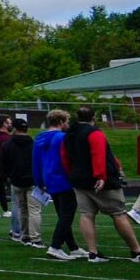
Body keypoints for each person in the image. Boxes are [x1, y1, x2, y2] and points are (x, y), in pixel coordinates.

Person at [63, 106, 140, 263]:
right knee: (118, 213)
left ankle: (93, 253)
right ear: (93, 118)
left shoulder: (69, 134)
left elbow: (65, 156)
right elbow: (98, 154)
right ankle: (137, 250)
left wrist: (71, 174)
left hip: (78, 179)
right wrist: (101, 176)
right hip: (99, 181)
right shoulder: (94, 133)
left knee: (86, 214)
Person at [34, 109, 78, 260]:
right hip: (63, 179)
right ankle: (55, 245)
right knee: (67, 215)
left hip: (49, 179)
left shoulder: (39, 137)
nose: (67, 124)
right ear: (60, 122)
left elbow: (36, 161)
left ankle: (73, 247)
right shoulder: (62, 137)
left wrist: (39, 181)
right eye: (66, 121)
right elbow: (67, 159)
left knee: (62, 214)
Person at [2, 113, 43, 247]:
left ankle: (24, 235)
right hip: (32, 180)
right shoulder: (34, 143)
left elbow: (4, 163)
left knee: (22, 209)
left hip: (16, 180)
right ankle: (35, 238)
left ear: (15, 128)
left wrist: (9, 176)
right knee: (34, 210)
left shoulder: (7, 144)